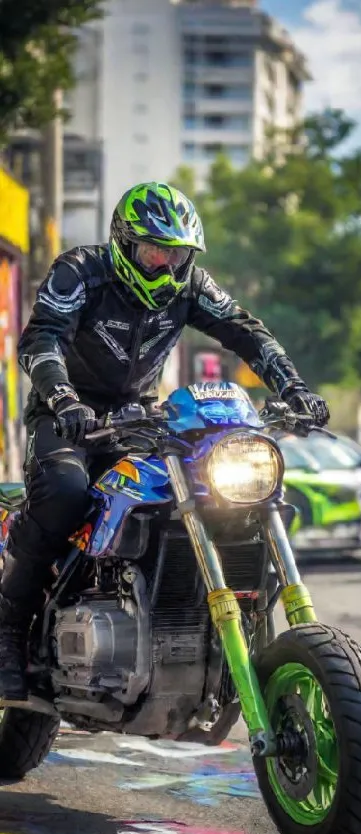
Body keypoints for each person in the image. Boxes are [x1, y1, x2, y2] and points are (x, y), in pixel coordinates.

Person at [0, 181, 330, 701]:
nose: (165, 261)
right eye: (154, 247)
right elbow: (42, 337)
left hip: (139, 417)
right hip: (68, 417)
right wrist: (64, 399)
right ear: (124, 241)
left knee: (207, 493)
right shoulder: (80, 270)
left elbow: (246, 331)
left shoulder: (191, 284)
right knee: (65, 491)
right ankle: (8, 627)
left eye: (176, 252)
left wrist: (294, 387)